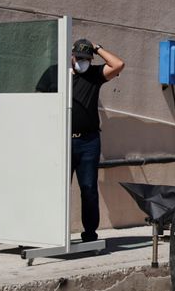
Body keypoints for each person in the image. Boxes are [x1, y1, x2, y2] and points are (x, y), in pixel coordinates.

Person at [36, 39, 125, 242]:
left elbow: (118, 65)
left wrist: (97, 48)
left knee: (88, 189)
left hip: (88, 143)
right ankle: (53, 232)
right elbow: (39, 102)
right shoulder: (55, 73)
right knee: (57, 188)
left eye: (87, 59)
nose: (83, 62)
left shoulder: (94, 75)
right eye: (80, 58)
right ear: (72, 56)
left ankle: (89, 234)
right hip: (61, 141)